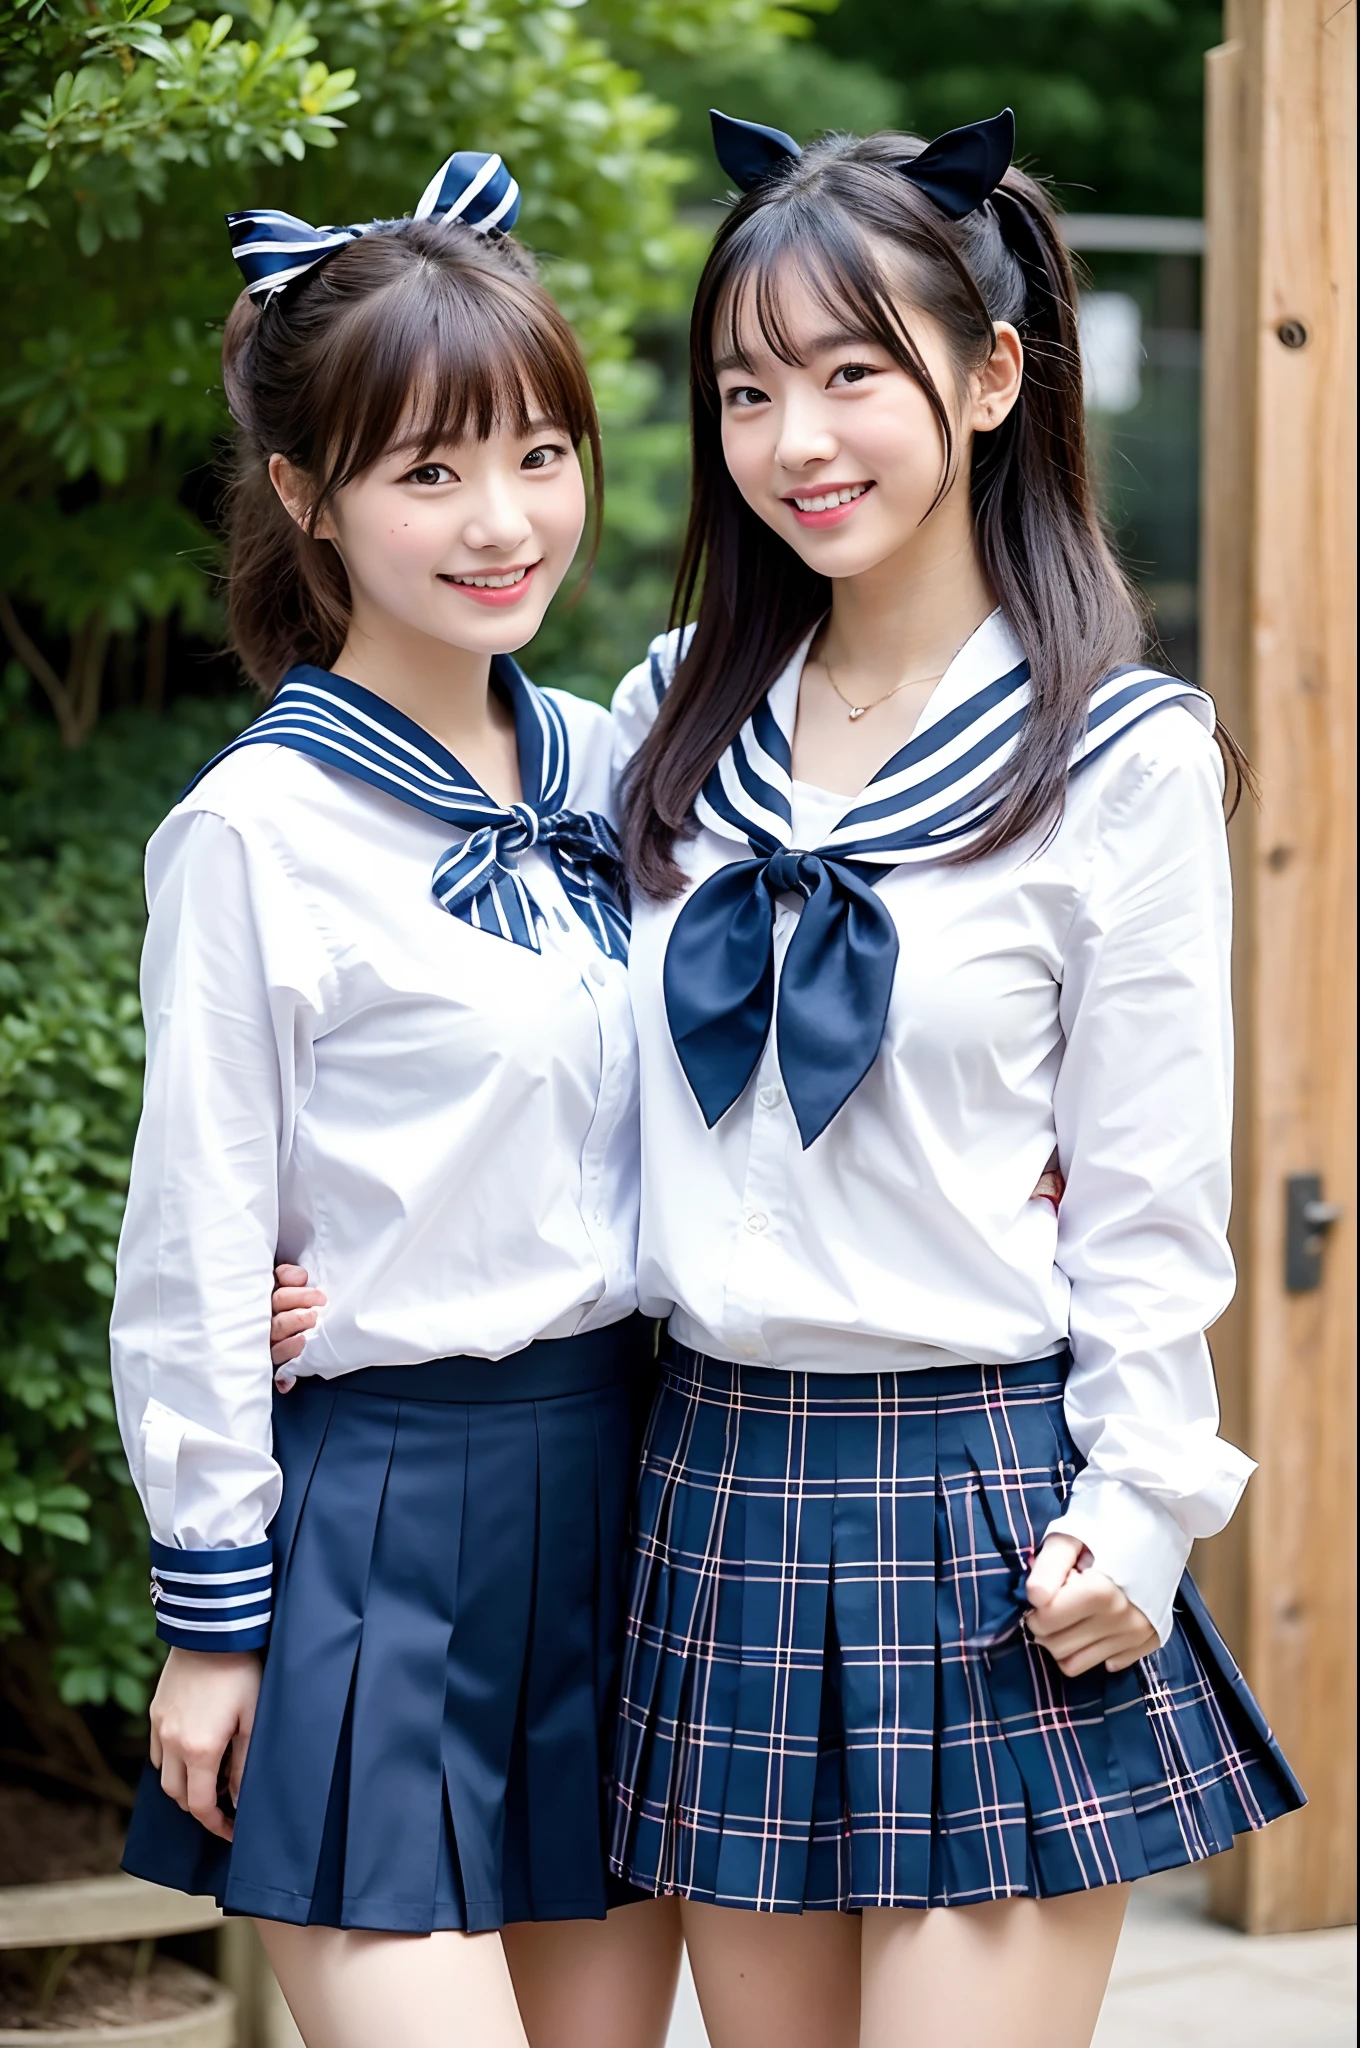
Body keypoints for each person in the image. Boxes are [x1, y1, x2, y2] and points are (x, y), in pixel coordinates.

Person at [598, 110, 1305, 2048]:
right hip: (709, 1476)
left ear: (990, 374)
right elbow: (528, 1052)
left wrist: (1143, 1501)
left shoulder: (1116, 755)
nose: (793, 440)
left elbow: (1148, 1183)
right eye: (747, 389)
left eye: (850, 374)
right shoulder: (667, 716)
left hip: (985, 1502)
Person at [110, 150, 679, 2048]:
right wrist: (211, 1614)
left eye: (536, 452)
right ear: (307, 496)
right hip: (378, 1530)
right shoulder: (254, 837)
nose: (501, 520)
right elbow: (193, 1243)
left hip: (628, 1494)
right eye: (426, 472)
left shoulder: (628, 770)